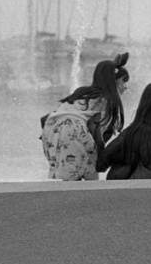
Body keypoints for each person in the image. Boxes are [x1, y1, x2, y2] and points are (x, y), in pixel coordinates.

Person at [40, 53, 129, 181]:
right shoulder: (107, 101)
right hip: (73, 129)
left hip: (50, 129)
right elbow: (96, 129)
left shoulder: (83, 92)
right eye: (123, 82)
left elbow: (48, 117)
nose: (125, 87)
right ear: (113, 82)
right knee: (90, 176)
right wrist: (100, 158)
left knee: (67, 174)